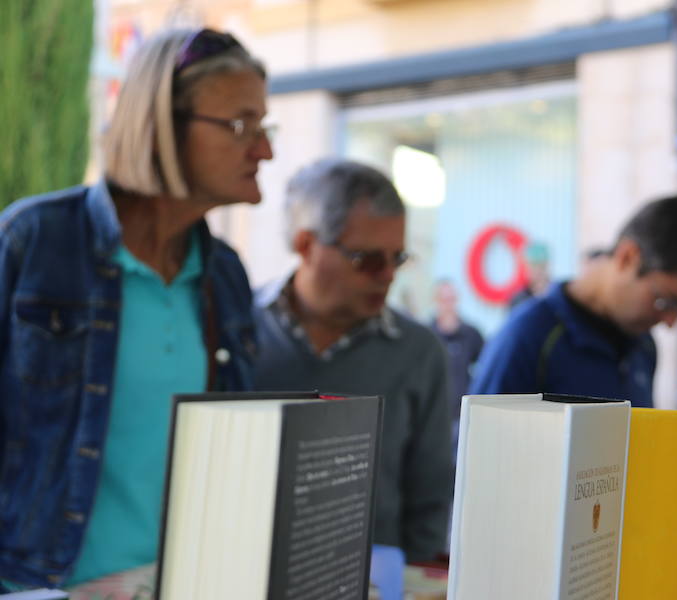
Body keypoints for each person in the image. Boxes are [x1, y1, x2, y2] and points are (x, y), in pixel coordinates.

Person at [0, 28, 272, 595]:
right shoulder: (35, 240)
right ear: (161, 128)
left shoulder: (224, 274)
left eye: (265, 127)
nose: (263, 149)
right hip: (39, 587)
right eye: (241, 125)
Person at [254, 158, 453, 563]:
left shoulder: (419, 352)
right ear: (307, 245)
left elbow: (430, 496)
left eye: (397, 258)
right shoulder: (234, 329)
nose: (387, 276)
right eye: (367, 260)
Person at [469, 192, 677, 407]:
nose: (670, 322)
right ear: (627, 257)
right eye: (666, 302)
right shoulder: (528, 338)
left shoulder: (644, 347)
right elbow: (476, 456)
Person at [429, 279, 483, 456]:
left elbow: (485, 367)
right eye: (444, 299)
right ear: (436, 301)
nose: (448, 304)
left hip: (462, 415)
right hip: (432, 416)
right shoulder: (427, 335)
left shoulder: (471, 333)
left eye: (451, 299)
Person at [508, 240, 551, 309]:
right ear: (526, 267)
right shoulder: (518, 299)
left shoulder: (558, 297)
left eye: (541, 266)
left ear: (547, 266)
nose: (538, 270)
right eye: (534, 265)